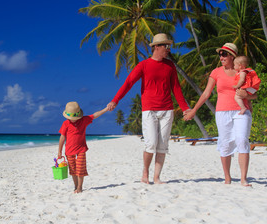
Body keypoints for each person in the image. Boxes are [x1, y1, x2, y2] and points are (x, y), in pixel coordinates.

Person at [107, 33, 191, 184]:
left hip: (167, 110)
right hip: (149, 109)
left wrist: (185, 108)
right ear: (156, 47)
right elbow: (128, 83)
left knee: (162, 145)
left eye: (169, 46)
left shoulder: (170, 65)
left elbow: (176, 88)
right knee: (151, 143)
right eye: (166, 46)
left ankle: (156, 177)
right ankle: (145, 172)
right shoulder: (143, 65)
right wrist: (115, 100)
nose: (168, 49)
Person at [184, 43, 257, 186]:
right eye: (220, 54)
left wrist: (247, 96)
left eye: (224, 54)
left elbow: (254, 94)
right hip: (222, 112)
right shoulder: (216, 72)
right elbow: (206, 93)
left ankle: (243, 179)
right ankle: (227, 178)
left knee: (242, 140)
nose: (221, 57)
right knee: (225, 144)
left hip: (242, 110)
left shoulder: (244, 72)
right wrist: (194, 110)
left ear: (232, 56)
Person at [58, 101, 109, 193]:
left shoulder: (84, 120)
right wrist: (59, 152)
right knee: (73, 170)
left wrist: (106, 109)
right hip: (69, 151)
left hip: (81, 149)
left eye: (74, 117)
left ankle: (80, 187)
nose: (72, 119)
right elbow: (62, 137)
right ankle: (76, 186)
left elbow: (95, 115)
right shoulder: (65, 123)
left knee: (80, 169)